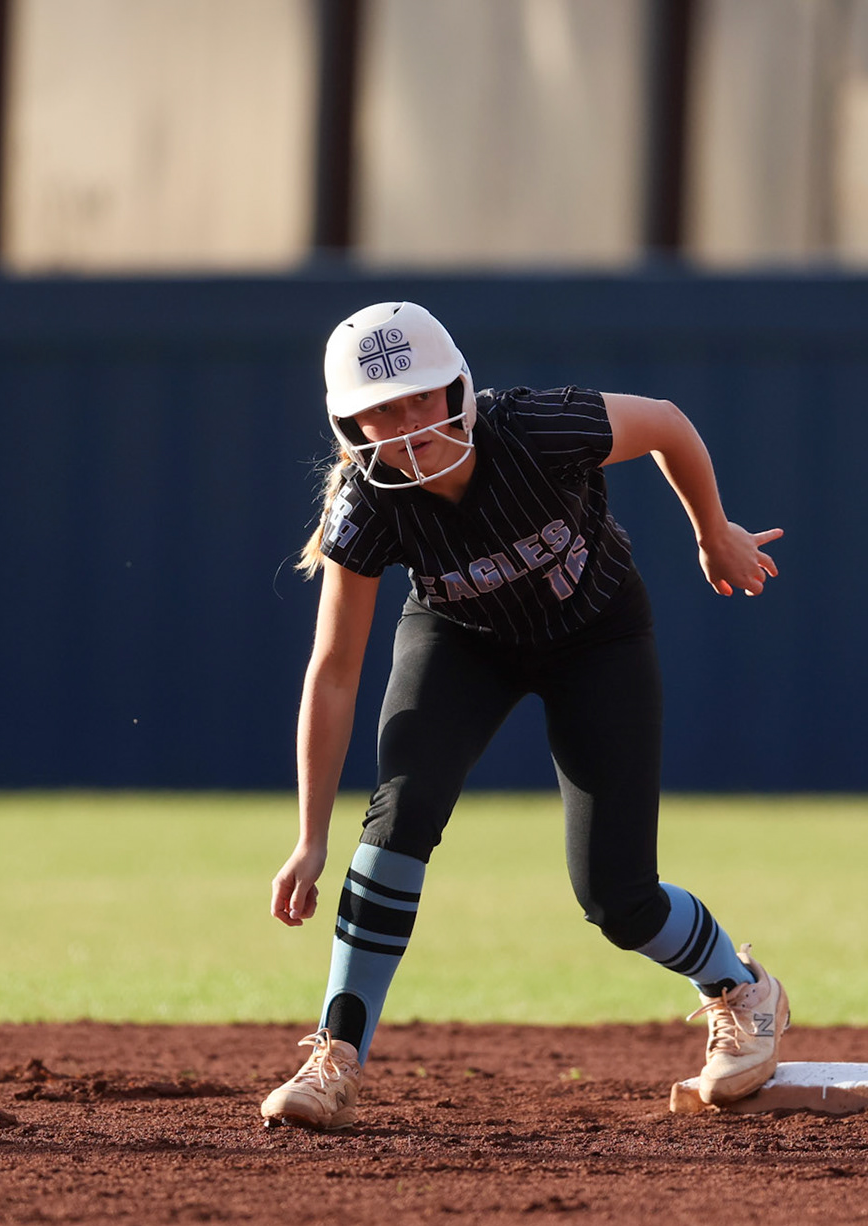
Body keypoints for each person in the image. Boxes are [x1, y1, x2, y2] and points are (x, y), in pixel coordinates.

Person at [263, 300, 787, 1131]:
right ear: (348, 425)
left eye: (421, 398)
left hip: (597, 636)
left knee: (618, 899)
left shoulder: (537, 428)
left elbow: (668, 425)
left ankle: (740, 988)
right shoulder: (364, 508)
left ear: (458, 391)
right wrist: (309, 838)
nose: (407, 427)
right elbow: (333, 672)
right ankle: (335, 1055)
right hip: (463, 637)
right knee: (396, 820)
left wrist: (712, 530)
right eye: (381, 410)